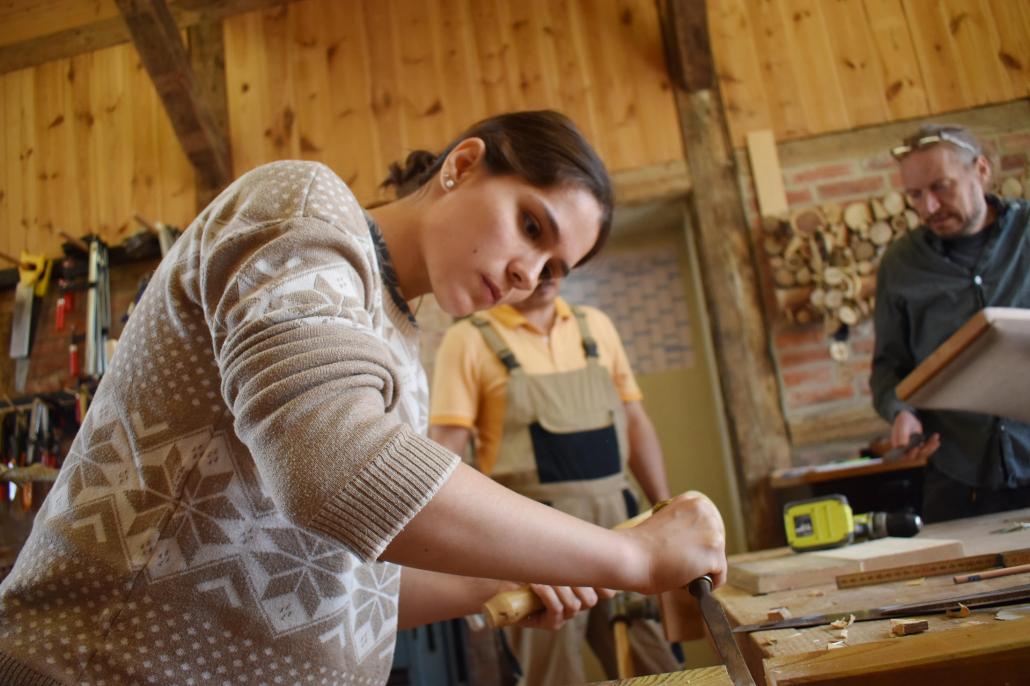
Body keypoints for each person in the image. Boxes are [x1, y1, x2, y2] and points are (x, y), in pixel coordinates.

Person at [0, 111, 727, 685]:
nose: (524, 274)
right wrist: (628, 557)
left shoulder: (400, 348)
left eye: (550, 266)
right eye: (530, 225)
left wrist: (495, 577)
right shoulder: (303, 209)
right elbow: (337, 472)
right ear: (463, 165)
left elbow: (348, 581)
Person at [429, 276, 680, 684]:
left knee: (655, 665)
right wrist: (455, 550)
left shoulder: (595, 326)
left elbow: (634, 420)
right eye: (542, 261)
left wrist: (664, 506)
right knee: (550, 674)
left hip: (622, 527)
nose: (550, 273)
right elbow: (445, 449)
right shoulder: (469, 339)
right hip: (531, 543)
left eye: (562, 264)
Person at [871, 123, 1030, 523]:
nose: (928, 207)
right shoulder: (900, 265)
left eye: (941, 187)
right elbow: (889, 367)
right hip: (959, 482)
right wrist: (900, 411)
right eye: (914, 195)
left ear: (980, 170)